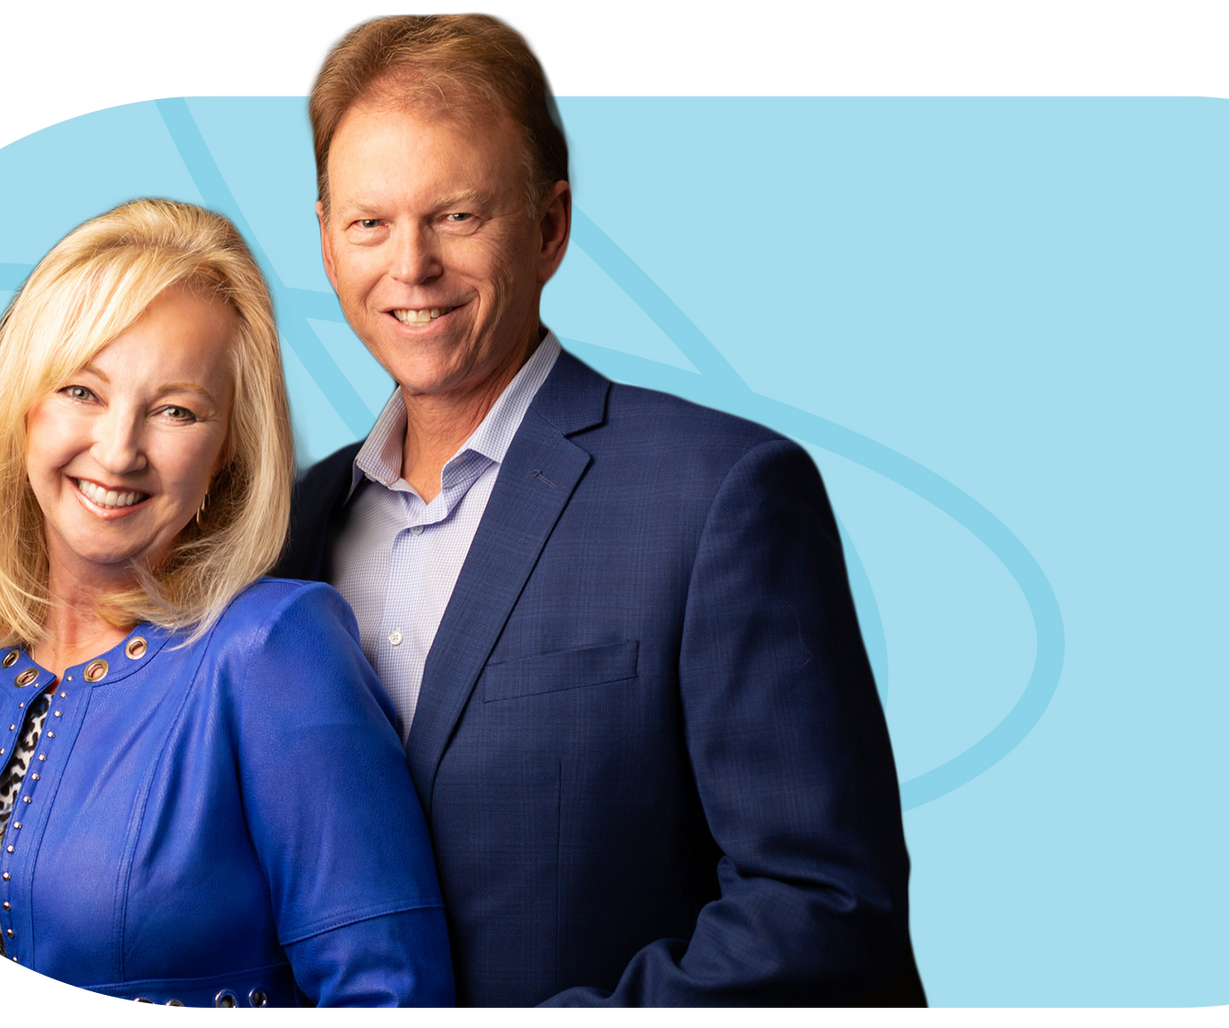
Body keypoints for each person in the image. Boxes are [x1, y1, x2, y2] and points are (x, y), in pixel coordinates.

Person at [276, 12, 921, 1008]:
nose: (411, 265)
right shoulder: (286, 529)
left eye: (456, 214)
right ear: (325, 239)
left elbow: (824, 904)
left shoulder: (721, 495)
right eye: (370, 222)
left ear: (548, 226)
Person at [0, 199, 455, 1009]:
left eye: (176, 410)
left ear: (226, 454)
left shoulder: (275, 650)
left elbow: (391, 992)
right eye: (81, 390)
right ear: (22, 410)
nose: (119, 449)